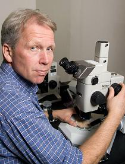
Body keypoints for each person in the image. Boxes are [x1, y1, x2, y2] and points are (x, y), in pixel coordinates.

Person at [0, 9, 125, 164]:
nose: (46, 60)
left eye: (49, 48)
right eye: (34, 48)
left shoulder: (9, 84)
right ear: (8, 52)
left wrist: (55, 114)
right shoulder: (15, 105)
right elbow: (78, 162)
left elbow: (22, 119)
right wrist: (116, 114)